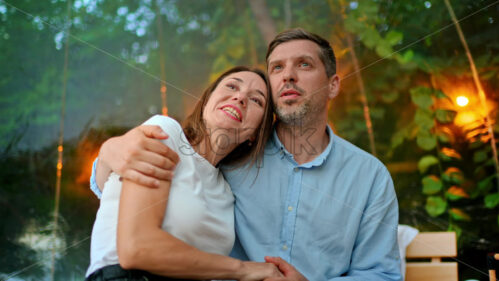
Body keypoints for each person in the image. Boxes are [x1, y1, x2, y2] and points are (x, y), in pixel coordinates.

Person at [90, 28, 402, 281]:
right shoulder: (227, 160)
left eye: (304, 64)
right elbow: (117, 188)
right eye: (277, 68)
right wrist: (107, 152)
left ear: (333, 85)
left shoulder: (369, 177)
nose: (288, 75)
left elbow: (380, 275)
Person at [85, 66, 283, 280]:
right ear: (207, 101)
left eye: (256, 100)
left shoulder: (226, 192)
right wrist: (244, 270)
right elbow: (136, 248)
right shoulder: (165, 132)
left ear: (255, 133)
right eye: (232, 86)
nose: (240, 97)